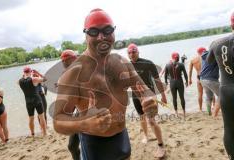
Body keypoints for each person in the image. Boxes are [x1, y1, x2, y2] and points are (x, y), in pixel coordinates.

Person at [53, 8, 165, 160]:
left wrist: (149, 101)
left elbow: (144, 91)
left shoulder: (122, 62)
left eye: (107, 30)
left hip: (121, 136)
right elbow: (58, 121)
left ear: (113, 32)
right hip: (94, 144)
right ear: (85, 35)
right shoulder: (73, 73)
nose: (101, 37)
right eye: (94, 31)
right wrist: (85, 123)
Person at [206, 12, 234, 160]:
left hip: (227, 92)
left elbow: (209, 61)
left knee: (230, 129)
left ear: (231, 24)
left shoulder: (217, 43)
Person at [127, 43, 167, 145]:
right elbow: (126, 84)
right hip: (136, 97)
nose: (132, 54)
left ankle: (160, 143)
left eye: (134, 52)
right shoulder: (127, 66)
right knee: (141, 117)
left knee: (151, 120)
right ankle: (146, 136)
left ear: (138, 52)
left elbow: (158, 81)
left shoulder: (148, 63)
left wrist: (163, 96)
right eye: (129, 53)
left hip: (149, 95)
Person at [60, 50, 80, 160]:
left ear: (74, 59)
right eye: (62, 61)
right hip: (78, 113)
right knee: (72, 146)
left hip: (89, 113)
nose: (64, 63)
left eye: (66, 60)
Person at [19, 67, 47, 136]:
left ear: (24, 72)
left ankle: (32, 133)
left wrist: (23, 76)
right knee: (41, 117)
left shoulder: (20, 81)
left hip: (28, 102)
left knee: (31, 118)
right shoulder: (34, 79)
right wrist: (37, 73)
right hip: (37, 100)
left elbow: (23, 80)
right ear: (30, 71)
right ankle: (45, 133)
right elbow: (45, 79)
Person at [164, 52, 188, 118]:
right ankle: (184, 112)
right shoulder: (181, 64)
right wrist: (187, 82)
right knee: (182, 97)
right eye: (178, 57)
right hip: (179, 82)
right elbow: (185, 74)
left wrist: (166, 83)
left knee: (174, 98)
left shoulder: (167, 65)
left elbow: (165, 75)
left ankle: (176, 113)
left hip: (172, 83)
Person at [199, 48, 221, 117]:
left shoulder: (204, 57)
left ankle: (209, 113)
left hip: (202, 79)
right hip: (211, 79)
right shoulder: (214, 56)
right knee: (222, 94)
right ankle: (215, 113)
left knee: (209, 97)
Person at [188, 47, 205, 112]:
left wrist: (189, 79)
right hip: (206, 76)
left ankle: (200, 109)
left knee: (200, 93)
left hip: (198, 77)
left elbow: (190, 71)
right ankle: (213, 105)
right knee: (210, 92)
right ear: (203, 51)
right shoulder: (205, 57)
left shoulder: (193, 60)